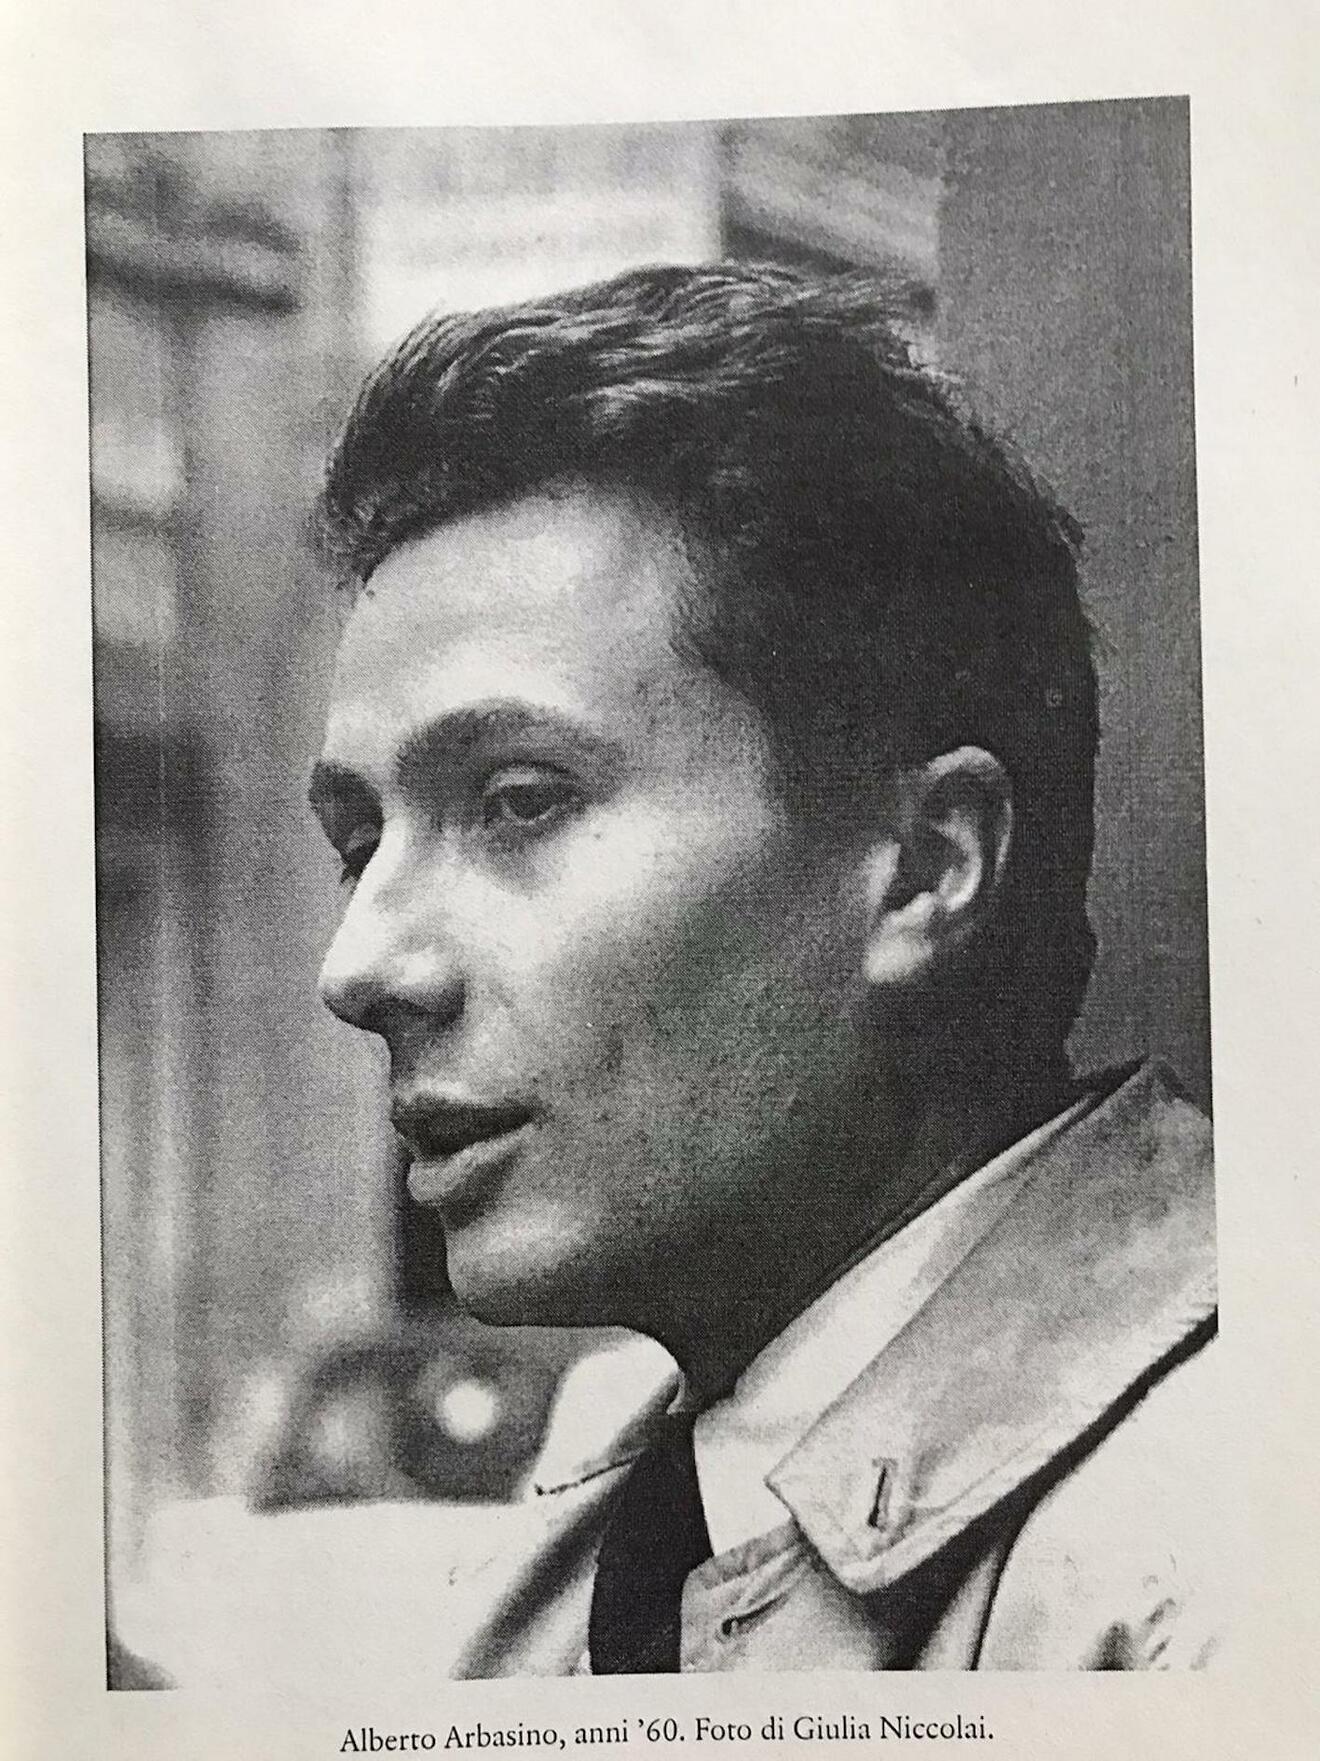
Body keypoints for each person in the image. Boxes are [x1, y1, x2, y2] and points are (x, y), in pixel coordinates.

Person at [305, 263, 1217, 1674]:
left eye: (520, 801)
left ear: (923, 869)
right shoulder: (587, 1551)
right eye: (359, 844)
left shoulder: (1227, 1543)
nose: (360, 965)